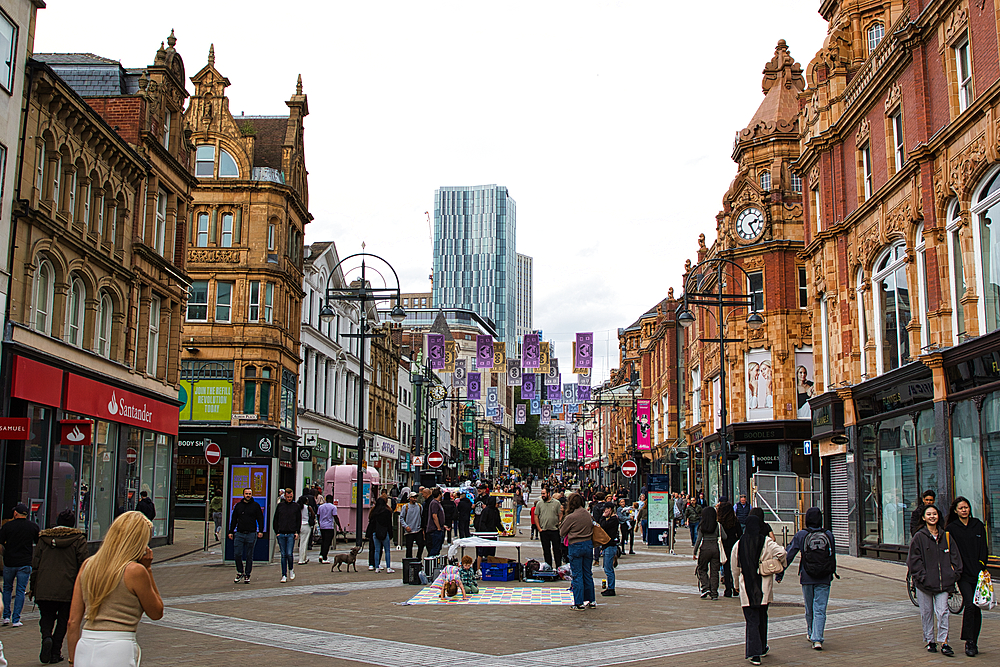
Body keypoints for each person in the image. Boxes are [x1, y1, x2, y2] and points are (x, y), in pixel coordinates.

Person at [66, 511, 163, 667]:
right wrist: (148, 569)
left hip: (86, 644)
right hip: (118, 645)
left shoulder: (88, 565)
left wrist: (72, 659)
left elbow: (72, 621)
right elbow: (156, 612)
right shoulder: (135, 571)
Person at [29, 509, 88, 664]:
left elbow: (35, 564)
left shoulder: (44, 538)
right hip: (68, 588)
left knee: (46, 617)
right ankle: (55, 652)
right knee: (64, 620)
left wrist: (33, 587)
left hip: (44, 586)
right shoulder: (78, 539)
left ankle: (46, 637)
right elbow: (84, 565)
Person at [731, 515, 787, 666]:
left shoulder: (739, 543)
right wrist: (779, 564)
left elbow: (735, 567)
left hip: (746, 586)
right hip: (763, 586)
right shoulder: (766, 541)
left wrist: (735, 584)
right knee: (762, 617)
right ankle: (762, 647)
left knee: (752, 619)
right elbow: (782, 552)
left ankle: (754, 654)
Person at [907, 503, 962, 656]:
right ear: (924, 518)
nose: (932, 516)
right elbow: (913, 561)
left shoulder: (946, 536)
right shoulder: (919, 537)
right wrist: (922, 577)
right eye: (929, 514)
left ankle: (944, 641)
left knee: (943, 612)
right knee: (927, 613)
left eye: (935, 514)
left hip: (943, 583)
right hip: (924, 584)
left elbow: (955, 557)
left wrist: (954, 574)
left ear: (939, 516)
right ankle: (930, 640)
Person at [779, 507, 836, 650]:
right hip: (824, 576)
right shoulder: (828, 534)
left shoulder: (801, 535)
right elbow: (832, 556)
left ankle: (811, 633)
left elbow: (789, 554)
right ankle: (818, 638)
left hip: (807, 576)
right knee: (820, 608)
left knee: (809, 608)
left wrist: (780, 572)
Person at [947, 497, 988, 657]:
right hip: (963, 574)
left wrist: (982, 564)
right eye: (961, 508)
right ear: (955, 511)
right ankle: (968, 641)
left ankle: (974, 641)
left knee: (977, 607)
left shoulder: (977, 525)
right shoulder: (952, 528)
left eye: (966, 507)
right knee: (969, 604)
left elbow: (984, 547)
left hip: (978, 572)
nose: (964, 510)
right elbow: (950, 551)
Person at [0, 502, 40, 627]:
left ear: (15, 513)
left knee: (7, 589)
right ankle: (16, 619)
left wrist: (4, 553)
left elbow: (1, 543)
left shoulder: (7, 526)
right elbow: (38, 542)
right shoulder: (33, 526)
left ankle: (6, 616)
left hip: (9, 562)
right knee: (21, 590)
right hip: (25, 562)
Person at [560, 493, 596, 610]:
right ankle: (592, 600)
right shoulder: (587, 514)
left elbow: (562, 532)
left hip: (575, 545)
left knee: (577, 575)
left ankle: (579, 602)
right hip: (588, 545)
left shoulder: (571, 517)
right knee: (588, 574)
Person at [228, 488, 265, 583]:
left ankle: (247, 574)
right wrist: (231, 531)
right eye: (246, 493)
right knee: (237, 554)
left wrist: (260, 530)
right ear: (243, 494)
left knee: (249, 555)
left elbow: (260, 518)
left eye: (249, 494)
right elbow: (234, 519)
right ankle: (240, 571)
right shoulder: (238, 506)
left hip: (251, 533)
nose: (248, 495)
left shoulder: (255, 506)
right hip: (239, 533)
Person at [693, 506, 726, 600]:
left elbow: (698, 540)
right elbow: (724, 536)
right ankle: (714, 593)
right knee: (714, 572)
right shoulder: (718, 525)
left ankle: (705, 587)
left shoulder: (702, 526)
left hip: (704, 549)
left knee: (702, 569)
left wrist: (694, 552)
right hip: (715, 549)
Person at [273, 488, 301, 583]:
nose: (289, 498)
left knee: (289, 553)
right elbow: (275, 519)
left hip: (291, 533)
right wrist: (277, 531)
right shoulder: (280, 506)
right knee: (283, 555)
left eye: (290, 497)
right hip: (281, 532)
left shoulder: (296, 506)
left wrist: (297, 532)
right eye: (288, 497)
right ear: (285, 497)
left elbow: (298, 520)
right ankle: (284, 574)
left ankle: (291, 569)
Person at [534, 487, 564, 568]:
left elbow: (560, 513)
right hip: (544, 530)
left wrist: (559, 522)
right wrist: (539, 528)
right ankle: (548, 566)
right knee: (546, 550)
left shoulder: (556, 503)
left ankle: (558, 566)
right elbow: (536, 516)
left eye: (544, 494)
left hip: (554, 530)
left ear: (548, 494)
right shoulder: (539, 504)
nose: (542, 495)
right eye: (541, 494)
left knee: (557, 550)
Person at [717, 500, 741, 597]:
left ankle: (728, 589)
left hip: (723, 545)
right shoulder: (735, 521)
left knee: (726, 567)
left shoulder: (720, 522)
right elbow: (740, 534)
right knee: (735, 567)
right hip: (734, 545)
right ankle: (735, 587)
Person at [366, 497, 394, 573]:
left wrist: (368, 533)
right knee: (387, 550)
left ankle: (376, 567)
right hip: (385, 532)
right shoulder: (387, 512)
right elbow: (389, 524)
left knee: (376, 550)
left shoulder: (374, 512)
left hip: (375, 532)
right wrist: (391, 534)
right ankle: (388, 567)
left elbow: (371, 523)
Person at [474, 497, 502, 573]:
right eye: (497, 503)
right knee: (481, 553)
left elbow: (497, 523)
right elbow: (482, 523)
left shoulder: (496, 511)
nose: (498, 505)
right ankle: (478, 569)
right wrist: (486, 532)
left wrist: (502, 530)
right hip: (485, 535)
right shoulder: (486, 511)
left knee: (491, 553)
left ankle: (490, 568)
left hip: (493, 535)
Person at [599, 503, 620, 596]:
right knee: (607, 567)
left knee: (608, 569)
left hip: (610, 546)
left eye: (606, 510)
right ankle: (610, 587)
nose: (604, 511)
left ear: (610, 509)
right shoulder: (612, 519)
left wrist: (603, 517)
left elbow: (602, 525)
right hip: (607, 546)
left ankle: (611, 588)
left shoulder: (614, 519)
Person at [317, 495, 341, 564]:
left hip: (322, 526)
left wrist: (320, 523)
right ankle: (324, 557)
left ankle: (321, 554)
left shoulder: (321, 507)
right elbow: (335, 517)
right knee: (327, 542)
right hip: (329, 526)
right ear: (332, 499)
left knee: (323, 541)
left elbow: (318, 515)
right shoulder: (333, 507)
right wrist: (339, 526)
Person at [400, 493, 423, 559]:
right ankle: (409, 561)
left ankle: (418, 558)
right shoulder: (406, 507)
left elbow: (421, 516)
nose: (415, 499)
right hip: (409, 531)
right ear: (410, 498)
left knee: (421, 545)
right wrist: (406, 526)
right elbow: (401, 517)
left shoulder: (419, 506)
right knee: (409, 548)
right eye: (413, 497)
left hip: (418, 530)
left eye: (415, 497)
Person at [425, 488, 447, 557]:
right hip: (435, 530)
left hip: (438, 529)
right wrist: (438, 528)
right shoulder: (434, 503)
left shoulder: (437, 503)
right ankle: (430, 563)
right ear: (439, 494)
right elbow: (434, 516)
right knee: (435, 549)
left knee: (437, 549)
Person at [297, 491, 316, 565]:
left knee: (301, 542)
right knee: (304, 543)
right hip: (306, 525)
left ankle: (303, 558)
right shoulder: (308, 507)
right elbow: (313, 515)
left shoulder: (298, 507)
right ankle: (302, 559)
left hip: (299, 525)